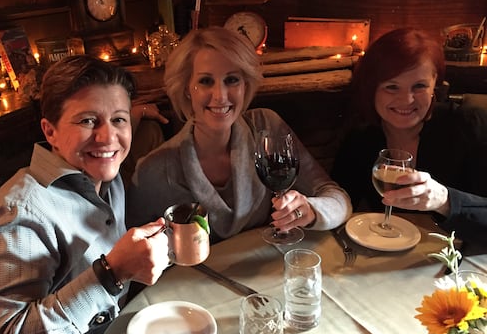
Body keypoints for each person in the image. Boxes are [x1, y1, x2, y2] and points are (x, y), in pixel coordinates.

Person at [0, 56, 170, 334]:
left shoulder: (108, 180)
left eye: (118, 120)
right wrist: (111, 274)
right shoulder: (17, 215)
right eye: (88, 121)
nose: (108, 137)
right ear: (50, 132)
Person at [126, 26, 352, 243]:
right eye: (206, 81)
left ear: (245, 84)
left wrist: (311, 210)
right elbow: (134, 250)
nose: (220, 96)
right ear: (187, 88)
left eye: (231, 80)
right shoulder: (153, 172)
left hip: (264, 273)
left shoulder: (266, 127)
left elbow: (337, 199)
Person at [331, 28, 487, 246]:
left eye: (419, 86)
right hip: (391, 264)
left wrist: (445, 201)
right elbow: (339, 204)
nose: (406, 99)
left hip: (462, 265)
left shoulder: (469, 125)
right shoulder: (360, 139)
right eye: (392, 87)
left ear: (435, 84)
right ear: (371, 88)